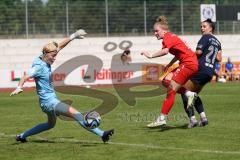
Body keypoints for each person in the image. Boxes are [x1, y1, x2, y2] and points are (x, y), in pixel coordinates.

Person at [10, 29, 114, 143]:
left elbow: (60, 46)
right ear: (46, 54)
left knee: (50, 125)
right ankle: (102, 134)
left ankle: (22, 136)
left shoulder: (44, 56)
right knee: (77, 114)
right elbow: (25, 76)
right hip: (49, 102)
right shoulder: (39, 67)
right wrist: (19, 87)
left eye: (55, 55)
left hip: (47, 102)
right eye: (53, 56)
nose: (54, 58)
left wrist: (73, 36)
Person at [141, 15, 199, 128]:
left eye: (157, 31)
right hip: (189, 63)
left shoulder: (167, 37)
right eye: (154, 31)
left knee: (171, 90)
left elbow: (165, 51)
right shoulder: (170, 37)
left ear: (164, 30)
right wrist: (170, 64)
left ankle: (162, 118)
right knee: (165, 80)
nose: (155, 33)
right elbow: (178, 53)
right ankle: (189, 93)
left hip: (188, 64)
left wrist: (151, 55)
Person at [180, 19, 222, 128]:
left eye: (204, 26)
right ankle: (203, 118)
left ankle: (192, 120)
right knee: (194, 94)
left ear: (210, 28)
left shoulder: (205, 37)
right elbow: (219, 58)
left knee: (183, 90)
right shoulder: (218, 42)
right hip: (209, 72)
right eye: (201, 26)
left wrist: (187, 54)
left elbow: (198, 52)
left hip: (200, 69)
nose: (202, 28)